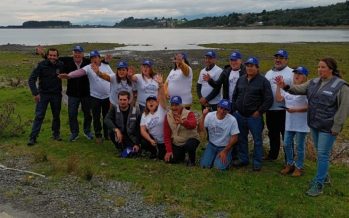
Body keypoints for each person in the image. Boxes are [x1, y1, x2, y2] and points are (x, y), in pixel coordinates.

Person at [275, 57, 349, 197]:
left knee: (322, 155)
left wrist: (337, 127)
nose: (319, 70)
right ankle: (325, 176)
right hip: (314, 124)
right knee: (319, 152)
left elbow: (344, 109)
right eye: (318, 67)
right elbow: (297, 89)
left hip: (328, 127)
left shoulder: (341, 86)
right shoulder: (314, 82)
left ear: (331, 69)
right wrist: (284, 86)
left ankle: (319, 183)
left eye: (323, 67)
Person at [58, 50, 114, 144]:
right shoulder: (88, 67)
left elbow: (113, 77)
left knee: (106, 116)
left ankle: (107, 134)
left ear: (99, 58)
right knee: (96, 117)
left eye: (96, 57)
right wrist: (69, 76)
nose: (94, 59)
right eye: (92, 58)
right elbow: (79, 72)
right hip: (95, 97)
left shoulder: (106, 66)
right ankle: (98, 135)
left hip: (107, 96)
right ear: (90, 59)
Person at [232, 57, 273, 171]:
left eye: (252, 66)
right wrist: (235, 108)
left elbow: (269, 99)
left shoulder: (263, 81)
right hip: (240, 115)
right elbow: (235, 95)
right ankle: (243, 159)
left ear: (257, 68)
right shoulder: (241, 79)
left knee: (257, 140)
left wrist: (259, 112)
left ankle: (257, 162)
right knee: (241, 138)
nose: (249, 68)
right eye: (247, 66)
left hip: (254, 117)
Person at [275, 66, 310, 177]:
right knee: (286, 144)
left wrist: (295, 110)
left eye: (300, 74)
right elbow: (279, 99)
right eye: (295, 73)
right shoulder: (290, 89)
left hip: (301, 123)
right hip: (289, 123)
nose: (297, 75)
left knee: (299, 146)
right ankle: (289, 164)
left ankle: (299, 167)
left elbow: (310, 106)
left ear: (305, 77)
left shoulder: (307, 90)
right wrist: (278, 86)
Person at [27, 48, 64, 146]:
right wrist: (35, 93)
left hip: (56, 94)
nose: (52, 57)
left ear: (57, 56)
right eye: (50, 55)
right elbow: (31, 79)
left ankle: (56, 134)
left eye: (54, 55)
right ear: (47, 56)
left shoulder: (60, 65)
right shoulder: (41, 65)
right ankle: (33, 138)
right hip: (43, 94)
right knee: (39, 116)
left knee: (56, 116)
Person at [264, 49, 294, 160]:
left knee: (286, 135)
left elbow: (295, 90)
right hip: (271, 109)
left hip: (285, 110)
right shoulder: (268, 73)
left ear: (286, 60)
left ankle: (289, 158)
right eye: (276, 58)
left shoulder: (291, 73)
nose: (278, 60)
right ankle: (273, 155)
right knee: (272, 134)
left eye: (281, 58)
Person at [199, 99, 239, 170]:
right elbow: (201, 129)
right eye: (221, 108)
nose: (222, 111)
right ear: (217, 107)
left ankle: (228, 157)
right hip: (211, 145)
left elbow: (235, 137)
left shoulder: (232, 120)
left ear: (229, 111)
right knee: (204, 166)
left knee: (219, 168)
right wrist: (203, 116)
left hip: (224, 147)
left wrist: (225, 151)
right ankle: (213, 157)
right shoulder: (210, 115)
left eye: (225, 109)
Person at [163, 96, 200, 166]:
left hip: (191, 139)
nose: (174, 107)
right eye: (172, 105)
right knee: (170, 160)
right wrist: (169, 151)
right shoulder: (167, 116)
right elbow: (166, 135)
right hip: (178, 142)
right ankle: (182, 156)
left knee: (190, 145)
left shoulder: (189, 113)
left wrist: (183, 122)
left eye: (176, 105)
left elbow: (193, 125)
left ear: (181, 105)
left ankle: (192, 161)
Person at [104, 91, 141, 156]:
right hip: (120, 134)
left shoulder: (136, 110)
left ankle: (126, 152)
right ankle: (120, 147)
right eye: (120, 100)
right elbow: (107, 119)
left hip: (131, 136)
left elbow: (139, 128)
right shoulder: (114, 108)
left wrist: (137, 143)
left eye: (124, 100)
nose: (122, 102)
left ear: (129, 100)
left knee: (132, 151)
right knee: (111, 131)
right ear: (118, 100)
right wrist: (116, 130)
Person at [140, 74, 167, 159]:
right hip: (154, 140)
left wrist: (161, 85)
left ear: (157, 103)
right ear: (146, 104)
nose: (151, 103)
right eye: (149, 101)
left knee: (162, 157)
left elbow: (162, 97)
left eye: (153, 101)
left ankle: (161, 151)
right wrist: (150, 140)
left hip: (165, 140)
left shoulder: (161, 109)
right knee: (144, 142)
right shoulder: (144, 115)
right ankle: (153, 151)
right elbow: (143, 130)